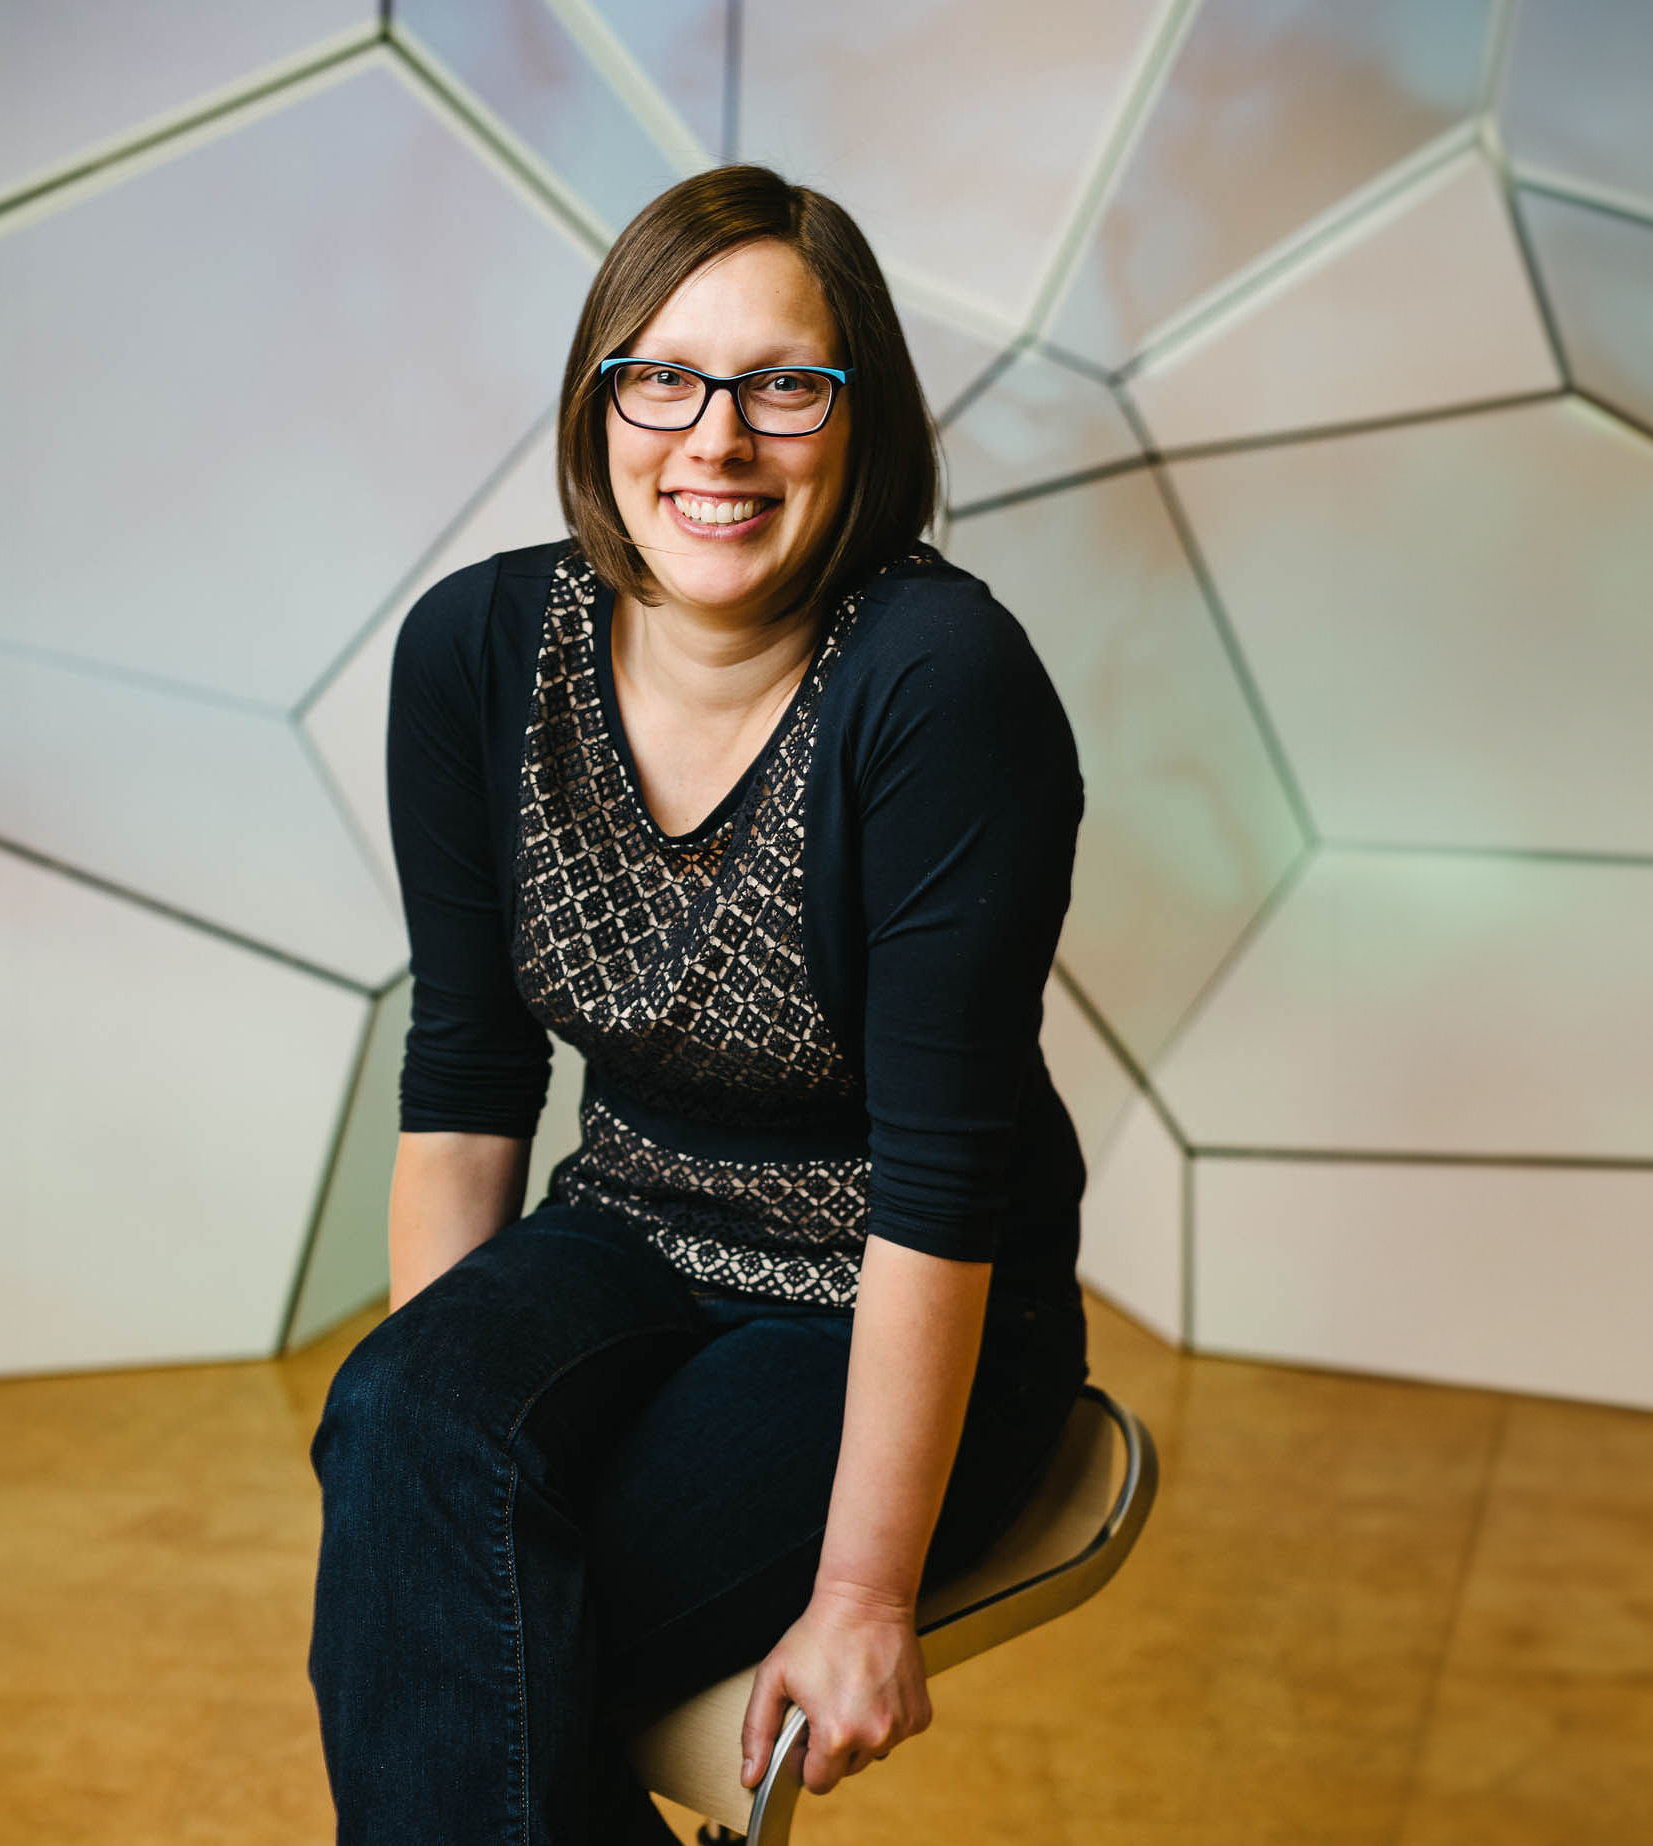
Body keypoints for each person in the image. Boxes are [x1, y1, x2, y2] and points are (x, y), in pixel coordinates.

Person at [307, 163, 1088, 1846]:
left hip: (889, 1290)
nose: (713, 441)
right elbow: (465, 1079)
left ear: (859, 417)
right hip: (628, 1232)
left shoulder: (937, 683)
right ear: (598, 401)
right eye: (661, 376)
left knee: (496, 1630)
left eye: (782, 386)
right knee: (396, 1440)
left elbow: (945, 1182)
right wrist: (429, 1419)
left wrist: (866, 1588)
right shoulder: (477, 650)